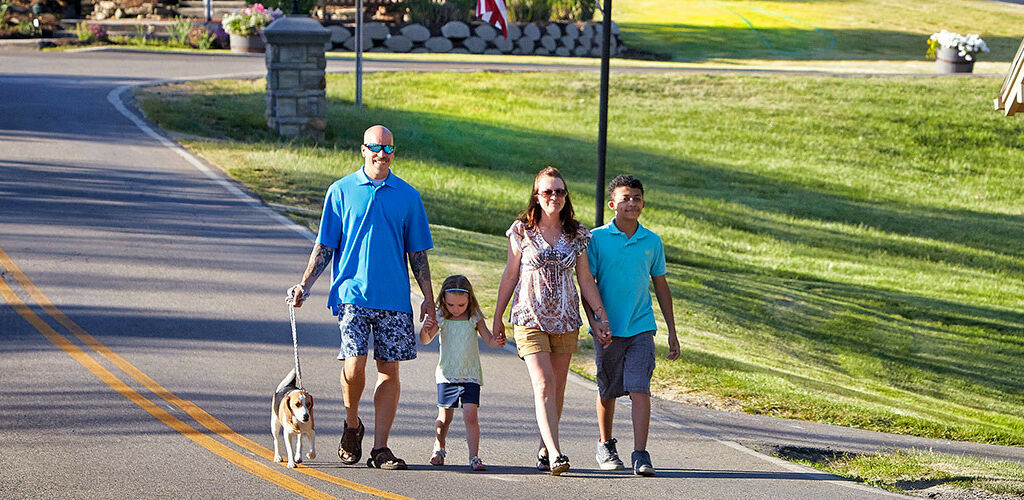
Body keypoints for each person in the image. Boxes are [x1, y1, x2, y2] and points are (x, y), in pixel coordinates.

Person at [287, 125, 435, 471]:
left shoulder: (408, 196)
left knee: (389, 370)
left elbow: (418, 254)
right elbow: (325, 245)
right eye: (375, 147)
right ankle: (352, 423)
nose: (381, 154)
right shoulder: (340, 191)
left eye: (387, 148)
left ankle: (381, 449)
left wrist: (427, 299)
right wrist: (305, 285)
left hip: (395, 298)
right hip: (351, 293)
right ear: (363, 150)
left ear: (393, 153)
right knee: (354, 364)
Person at [492, 166, 612, 476]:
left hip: (566, 318)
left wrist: (600, 316)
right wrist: (497, 318)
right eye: (547, 191)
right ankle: (557, 453)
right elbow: (510, 274)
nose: (553, 197)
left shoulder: (577, 233)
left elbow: (585, 279)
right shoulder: (521, 231)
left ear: (565, 195)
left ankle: (546, 446)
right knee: (543, 382)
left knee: (557, 388)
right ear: (536, 195)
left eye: (559, 191)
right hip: (529, 316)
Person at [582, 174, 680, 477]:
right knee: (608, 390)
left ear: (643, 203)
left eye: (636, 198)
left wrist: (672, 331)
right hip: (608, 329)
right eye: (625, 198)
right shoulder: (596, 239)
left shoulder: (652, 241)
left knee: (640, 388)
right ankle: (606, 444)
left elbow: (661, 286)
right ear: (613, 204)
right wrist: (595, 321)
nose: (631, 203)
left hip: (641, 326)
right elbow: (587, 285)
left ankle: (640, 453)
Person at [419, 275, 505, 471]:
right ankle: (439, 447)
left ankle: (474, 456)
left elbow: (489, 340)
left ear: (469, 301)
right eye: (450, 305)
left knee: (470, 416)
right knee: (445, 417)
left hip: (470, 374)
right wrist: (425, 329)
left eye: (461, 305)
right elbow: (425, 340)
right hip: (447, 374)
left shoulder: (474, 316)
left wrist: (496, 342)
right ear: (443, 300)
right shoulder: (441, 316)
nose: (455, 309)